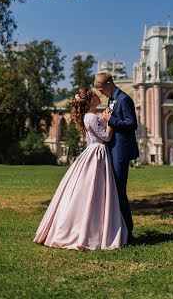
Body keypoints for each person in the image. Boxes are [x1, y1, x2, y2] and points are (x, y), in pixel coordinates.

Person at [33, 87, 127, 250]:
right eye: (95, 96)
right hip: (97, 153)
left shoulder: (91, 116)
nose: (98, 97)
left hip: (96, 153)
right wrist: (110, 121)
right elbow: (106, 137)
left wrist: (105, 119)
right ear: (90, 101)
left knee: (94, 190)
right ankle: (86, 232)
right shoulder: (91, 117)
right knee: (94, 190)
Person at [94, 72, 138, 244]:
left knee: (119, 191)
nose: (100, 93)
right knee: (112, 190)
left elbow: (131, 124)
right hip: (112, 148)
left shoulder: (124, 99)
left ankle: (128, 232)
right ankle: (115, 230)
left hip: (121, 150)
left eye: (101, 89)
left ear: (109, 83)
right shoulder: (112, 99)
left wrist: (111, 119)